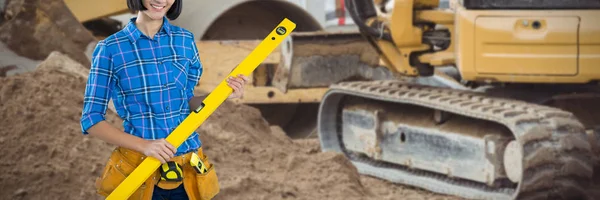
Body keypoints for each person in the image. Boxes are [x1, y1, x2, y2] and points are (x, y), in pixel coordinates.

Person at [80, 0, 248, 199]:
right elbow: (92, 120)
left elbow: (187, 102)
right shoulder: (110, 49)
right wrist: (146, 145)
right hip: (141, 173)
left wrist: (223, 93)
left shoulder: (185, 40)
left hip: (189, 173)